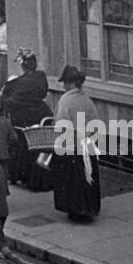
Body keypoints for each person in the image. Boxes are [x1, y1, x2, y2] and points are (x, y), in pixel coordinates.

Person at [52, 66, 101, 222]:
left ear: (69, 83)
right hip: (87, 144)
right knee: (88, 176)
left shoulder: (66, 100)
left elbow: (61, 123)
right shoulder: (87, 99)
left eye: (65, 83)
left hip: (72, 145)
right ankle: (90, 207)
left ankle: (76, 210)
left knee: (72, 179)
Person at [0, 50, 53, 190]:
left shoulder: (18, 82)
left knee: (22, 144)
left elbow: (11, 101)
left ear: (23, 65)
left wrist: (4, 96)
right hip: (42, 113)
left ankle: (20, 175)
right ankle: (40, 177)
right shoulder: (41, 77)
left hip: (24, 117)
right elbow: (43, 92)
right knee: (42, 147)